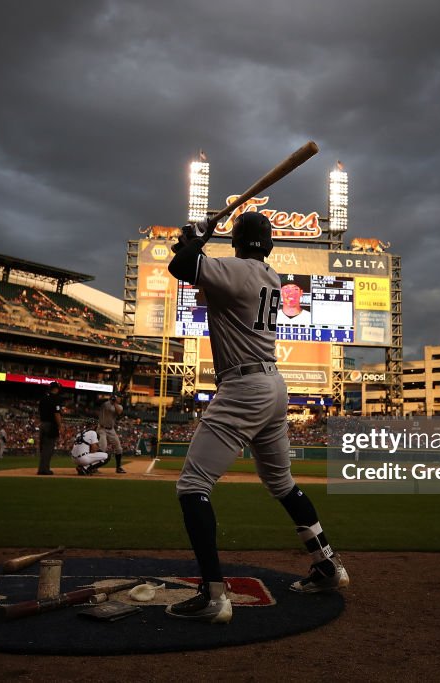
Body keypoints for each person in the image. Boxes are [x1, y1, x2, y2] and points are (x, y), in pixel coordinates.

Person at [164, 212, 349, 624]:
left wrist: (199, 236)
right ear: (268, 244)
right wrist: (194, 241)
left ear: (238, 242)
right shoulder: (269, 275)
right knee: (282, 484)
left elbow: (181, 267)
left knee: (193, 485)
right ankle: (327, 565)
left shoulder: (238, 270)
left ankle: (213, 595)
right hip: (273, 386)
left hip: (244, 387)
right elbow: (194, 270)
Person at [37, 382, 64, 475]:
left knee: (43, 448)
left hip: (42, 424)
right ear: (56, 389)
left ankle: (42, 467)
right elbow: (56, 413)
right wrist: (60, 426)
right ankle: (44, 469)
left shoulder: (43, 398)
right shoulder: (56, 398)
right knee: (48, 448)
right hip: (51, 425)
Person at [98, 393, 125, 473]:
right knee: (103, 447)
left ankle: (118, 467)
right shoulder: (106, 404)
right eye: (119, 397)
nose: (120, 399)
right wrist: (111, 400)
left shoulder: (119, 406)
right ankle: (94, 466)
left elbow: (119, 412)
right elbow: (103, 405)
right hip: (102, 429)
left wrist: (114, 402)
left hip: (111, 429)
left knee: (119, 448)